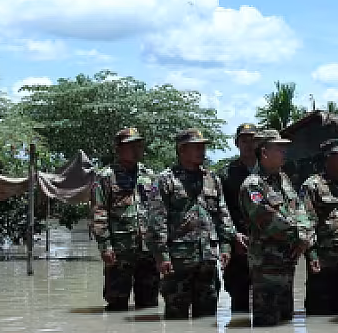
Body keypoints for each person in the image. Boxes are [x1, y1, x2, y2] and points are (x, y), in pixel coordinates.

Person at [146, 128, 237, 320]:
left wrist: (226, 245)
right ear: (182, 150)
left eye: (203, 147)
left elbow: (223, 215)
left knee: (207, 319)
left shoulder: (212, 179)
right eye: (196, 147)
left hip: (208, 260)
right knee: (175, 318)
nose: (202, 151)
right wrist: (161, 255)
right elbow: (156, 220)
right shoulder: (165, 180)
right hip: (178, 261)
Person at [239, 130, 313, 327]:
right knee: (267, 326)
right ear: (264, 153)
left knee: (285, 323)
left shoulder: (283, 179)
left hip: (287, 262)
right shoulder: (253, 185)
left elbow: (300, 208)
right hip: (266, 266)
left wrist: (305, 234)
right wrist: (299, 234)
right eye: (279, 148)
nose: (284, 152)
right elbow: (267, 219)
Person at [91, 127, 160, 311]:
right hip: (119, 252)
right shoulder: (106, 177)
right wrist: (105, 246)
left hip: (147, 251)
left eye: (139, 145)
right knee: (116, 304)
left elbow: (157, 211)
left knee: (149, 306)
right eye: (131, 146)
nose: (137, 150)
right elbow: (99, 213)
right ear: (118, 149)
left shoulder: (148, 176)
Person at [301, 138, 338, 316]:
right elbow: (306, 224)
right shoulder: (312, 186)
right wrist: (312, 255)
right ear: (329, 158)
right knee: (319, 315)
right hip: (324, 263)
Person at [219, 123, 263, 314]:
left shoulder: (270, 171)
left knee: (268, 301)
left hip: (266, 246)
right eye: (244, 140)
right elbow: (220, 210)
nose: (248, 144)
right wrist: (232, 235)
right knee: (239, 303)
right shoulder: (226, 174)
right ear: (236, 143)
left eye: (252, 140)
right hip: (238, 244)